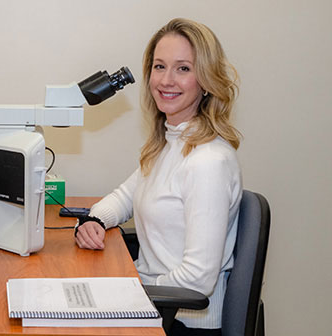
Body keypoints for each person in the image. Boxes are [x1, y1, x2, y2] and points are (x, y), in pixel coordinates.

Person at [74, 18, 242, 336]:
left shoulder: (208, 162)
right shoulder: (171, 143)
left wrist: (129, 286)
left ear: (206, 80)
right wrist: (93, 220)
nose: (166, 80)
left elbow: (197, 280)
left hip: (180, 321)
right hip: (156, 305)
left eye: (183, 69)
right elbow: (126, 196)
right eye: (159, 66)